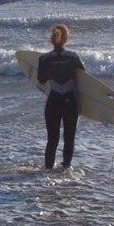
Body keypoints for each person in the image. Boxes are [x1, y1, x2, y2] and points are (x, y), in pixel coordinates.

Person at [37, 24, 85, 169]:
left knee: (52, 139)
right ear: (66, 39)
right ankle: (66, 170)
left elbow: (41, 80)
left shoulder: (44, 59)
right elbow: (84, 79)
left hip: (53, 101)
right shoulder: (73, 57)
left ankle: (48, 171)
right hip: (70, 102)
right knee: (69, 138)